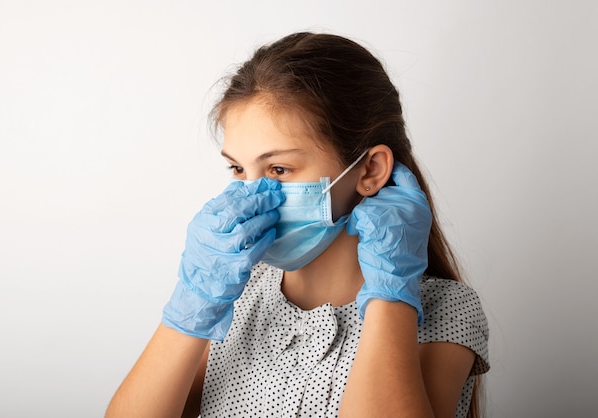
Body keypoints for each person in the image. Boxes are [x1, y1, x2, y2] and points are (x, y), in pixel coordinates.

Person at [105, 32, 489, 418]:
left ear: (369, 170)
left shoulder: (446, 309)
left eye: (279, 168)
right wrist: (191, 305)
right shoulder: (231, 296)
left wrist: (391, 296)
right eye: (239, 169)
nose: (251, 195)